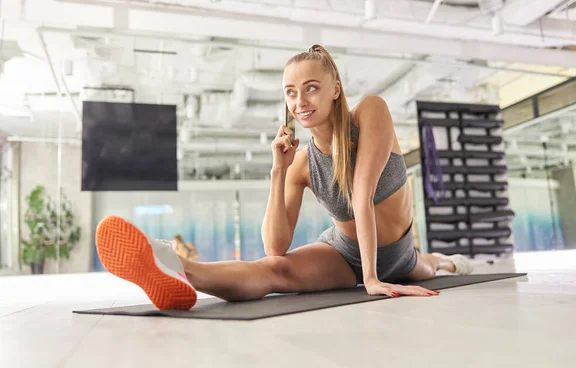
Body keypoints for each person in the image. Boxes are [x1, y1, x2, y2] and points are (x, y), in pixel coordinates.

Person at [95, 44, 472, 310]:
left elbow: (362, 193)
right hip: (344, 253)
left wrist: (373, 278)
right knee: (275, 269)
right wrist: (279, 171)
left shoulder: (370, 112)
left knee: (435, 266)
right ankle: (176, 267)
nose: (300, 101)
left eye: (311, 88)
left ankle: (453, 260)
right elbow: (275, 246)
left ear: (335, 90)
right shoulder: (302, 163)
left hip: (398, 252)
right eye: (291, 93)